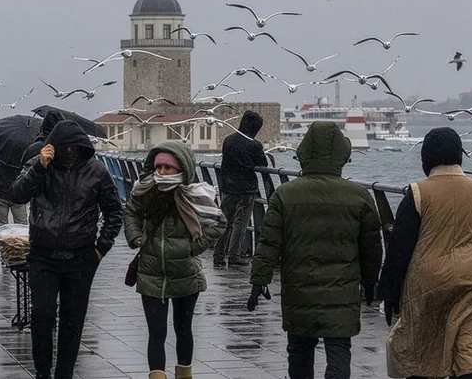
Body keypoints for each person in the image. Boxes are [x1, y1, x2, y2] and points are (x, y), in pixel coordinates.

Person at [248, 121, 383, 379]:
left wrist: (259, 280)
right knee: (339, 351)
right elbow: (372, 248)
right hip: (342, 292)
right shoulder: (359, 196)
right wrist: (370, 282)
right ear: (342, 156)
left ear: (304, 153)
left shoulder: (285, 195)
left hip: (300, 289)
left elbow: (269, 244)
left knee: (299, 350)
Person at [376, 127, 472, 379]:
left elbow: (399, 247)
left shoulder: (417, 193)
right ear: (460, 156)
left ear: (426, 159)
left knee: (423, 351)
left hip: (429, 282)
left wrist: (389, 292)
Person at [9, 120, 123, 379]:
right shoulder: (40, 165)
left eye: (74, 146)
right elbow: (16, 195)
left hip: (81, 257)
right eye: (65, 146)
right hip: (43, 256)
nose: (69, 151)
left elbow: (114, 211)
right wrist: (39, 167)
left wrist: (100, 249)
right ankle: (42, 372)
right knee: (42, 316)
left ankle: (64, 374)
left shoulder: (96, 171)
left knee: (72, 322)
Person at [123, 142, 226, 379]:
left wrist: (194, 247)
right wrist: (135, 237)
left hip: (185, 272)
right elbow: (131, 212)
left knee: (183, 329)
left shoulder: (195, 196)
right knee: (156, 334)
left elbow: (220, 221)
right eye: (158, 166)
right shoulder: (146, 190)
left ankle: (184, 374)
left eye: (167, 168)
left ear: (181, 167)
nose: (161, 172)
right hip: (150, 272)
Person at [213, 110, 268, 267]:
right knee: (240, 223)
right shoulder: (254, 145)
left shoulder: (229, 141)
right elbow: (263, 164)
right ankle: (234, 255)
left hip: (227, 187)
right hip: (246, 189)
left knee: (225, 222)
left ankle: (218, 254)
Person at [0, 158, 27, 226]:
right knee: (21, 225)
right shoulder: (23, 158)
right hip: (18, 194)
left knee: (1, 226)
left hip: (0, 191)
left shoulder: (3, 155)